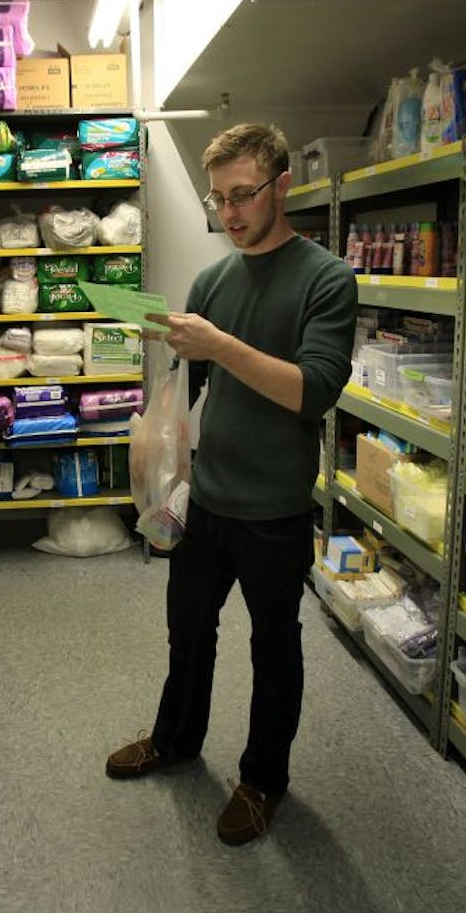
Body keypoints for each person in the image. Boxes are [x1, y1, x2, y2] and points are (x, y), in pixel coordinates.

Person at [106, 123, 356, 845]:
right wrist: (169, 352)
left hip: (274, 508)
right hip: (206, 499)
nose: (231, 212)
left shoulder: (327, 278)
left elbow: (312, 391)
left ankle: (262, 779)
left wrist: (218, 343)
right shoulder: (213, 280)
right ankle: (176, 737)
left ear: (281, 186)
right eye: (219, 199)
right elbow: (199, 386)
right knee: (188, 627)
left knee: (274, 648)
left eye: (243, 194)